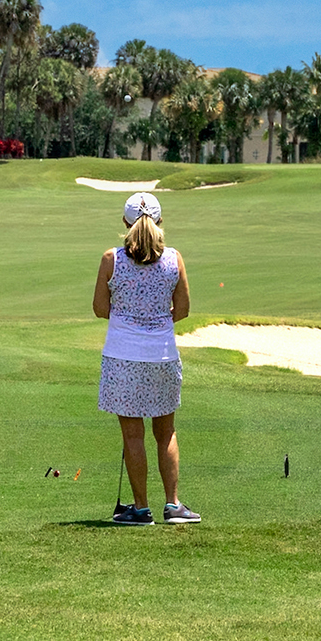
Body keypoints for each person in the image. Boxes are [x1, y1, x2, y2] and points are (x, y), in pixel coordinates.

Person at [92, 192, 200, 524]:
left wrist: (128, 317)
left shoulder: (111, 259)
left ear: (125, 223)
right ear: (160, 221)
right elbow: (183, 310)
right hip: (162, 355)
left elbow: (100, 309)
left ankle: (140, 509)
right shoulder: (174, 259)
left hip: (122, 356)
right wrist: (156, 319)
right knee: (165, 432)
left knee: (133, 435)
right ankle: (173, 506)